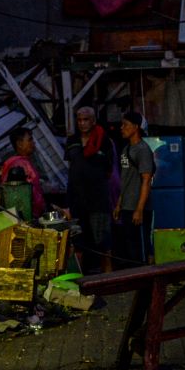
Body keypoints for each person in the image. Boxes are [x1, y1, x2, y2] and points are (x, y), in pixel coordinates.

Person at [65, 105, 114, 274]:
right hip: (77, 200)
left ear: (93, 121)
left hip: (98, 200)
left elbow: (109, 171)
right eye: (79, 120)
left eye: (85, 119)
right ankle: (79, 278)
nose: (82, 123)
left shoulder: (104, 141)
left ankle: (109, 278)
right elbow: (72, 167)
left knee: (103, 241)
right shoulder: (72, 141)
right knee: (78, 241)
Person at [114, 111, 155, 268]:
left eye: (125, 125)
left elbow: (146, 180)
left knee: (142, 247)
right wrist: (119, 204)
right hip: (127, 206)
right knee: (131, 246)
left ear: (136, 127)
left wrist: (139, 209)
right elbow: (125, 180)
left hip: (139, 208)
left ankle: (146, 278)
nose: (121, 128)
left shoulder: (143, 150)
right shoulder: (125, 150)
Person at [0, 126, 46, 219]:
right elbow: (21, 196)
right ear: (20, 144)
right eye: (30, 140)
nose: (33, 142)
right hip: (27, 217)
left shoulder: (22, 162)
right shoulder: (19, 165)